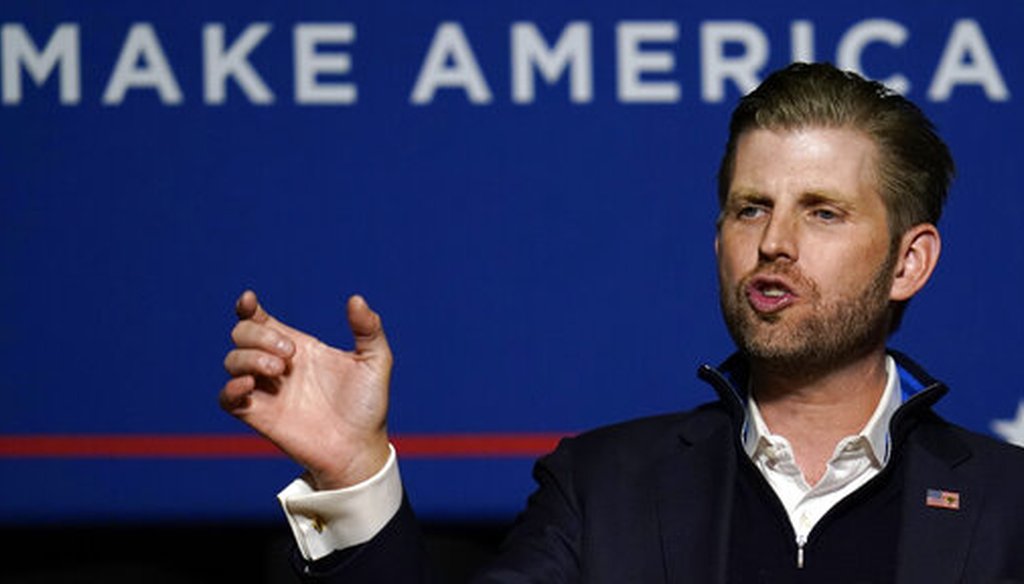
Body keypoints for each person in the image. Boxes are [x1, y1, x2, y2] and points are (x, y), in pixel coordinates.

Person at [220, 62, 1024, 583]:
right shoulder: (602, 489)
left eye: (822, 212)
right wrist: (353, 474)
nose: (773, 243)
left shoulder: (1007, 506)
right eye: (751, 208)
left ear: (910, 262)